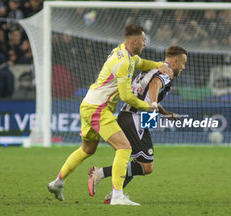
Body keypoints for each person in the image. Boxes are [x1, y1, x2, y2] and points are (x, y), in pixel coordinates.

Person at [47, 24, 173, 206]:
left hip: (89, 104)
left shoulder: (124, 52)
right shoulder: (123, 62)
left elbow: (142, 63)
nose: (145, 43)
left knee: (87, 149)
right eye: (144, 40)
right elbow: (126, 96)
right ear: (135, 41)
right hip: (98, 109)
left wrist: (159, 65)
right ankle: (117, 196)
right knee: (124, 148)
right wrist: (147, 106)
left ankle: (57, 182)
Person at [86, 45, 187, 204]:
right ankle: (99, 173)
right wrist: (153, 106)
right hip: (136, 116)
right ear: (175, 61)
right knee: (147, 167)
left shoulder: (155, 68)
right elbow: (154, 86)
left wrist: (165, 112)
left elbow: (146, 93)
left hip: (134, 115)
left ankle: (115, 194)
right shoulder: (167, 72)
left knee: (138, 160)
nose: (184, 67)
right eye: (183, 63)